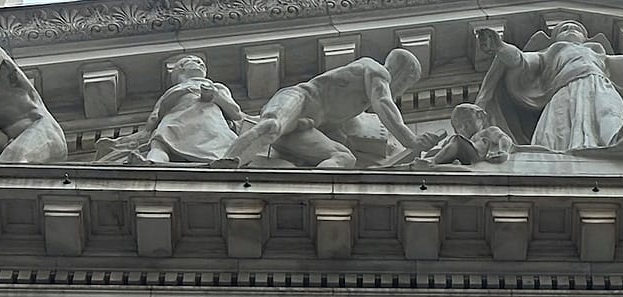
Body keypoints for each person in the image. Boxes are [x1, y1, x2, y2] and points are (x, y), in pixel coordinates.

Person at [475, 15, 623, 155]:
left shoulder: (599, 54)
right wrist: (499, 47)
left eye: (575, 28)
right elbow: (519, 60)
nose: (570, 29)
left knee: (610, 113)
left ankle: (620, 140)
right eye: (564, 28)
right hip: (563, 91)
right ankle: (552, 154)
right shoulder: (550, 53)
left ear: (586, 38)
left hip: (601, 86)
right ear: (554, 39)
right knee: (560, 128)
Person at [219, 49, 437, 169]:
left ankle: (313, 193)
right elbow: (384, 104)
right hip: (299, 99)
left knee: (345, 157)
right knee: (273, 126)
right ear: (401, 73)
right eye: (406, 83)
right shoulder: (375, 70)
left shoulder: (355, 106)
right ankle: (229, 160)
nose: (400, 91)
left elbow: (335, 132)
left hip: (303, 130)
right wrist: (410, 140)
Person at [98, 54, 245, 164]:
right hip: (174, 121)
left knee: (218, 143)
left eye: (202, 63)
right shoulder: (174, 90)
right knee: (159, 141)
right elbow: (155, 115)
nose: (200, 64)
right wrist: (145, 133)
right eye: (194, 61)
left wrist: (215, 96)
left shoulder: (217, 87)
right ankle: (152, 163)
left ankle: (222, 161)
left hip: (208, 122)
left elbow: (235, 112)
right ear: (181, 68)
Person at [415, 103, 514, 166]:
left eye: (468, 122)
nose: (464, 128)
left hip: (478, 156)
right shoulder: (464, 142)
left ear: (480, 118)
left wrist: (504, 151)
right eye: (459, 126)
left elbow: (504, 138)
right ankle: (425, 161)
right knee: (437, 151)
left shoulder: (486, 132)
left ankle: (432, 162)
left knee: (457, 140)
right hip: (465, 157)